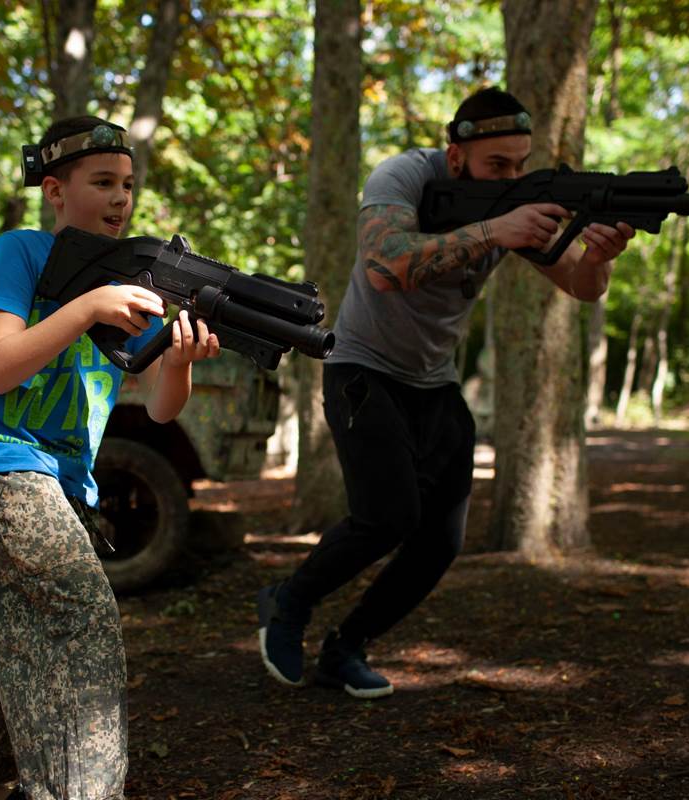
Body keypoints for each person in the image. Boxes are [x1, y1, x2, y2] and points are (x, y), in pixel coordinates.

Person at [256, 87, 634, 699]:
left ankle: (346, 647)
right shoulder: (404, 175)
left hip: (435, 382)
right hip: (363, 368)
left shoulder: (518, 202)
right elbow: (386, 263)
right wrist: (495, 228)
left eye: (520, 163)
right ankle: (288, 603)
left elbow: (581, 287)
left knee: (440, 541)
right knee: (388, 518)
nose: (512, 176)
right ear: (457, 156)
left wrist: (598, 257)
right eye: (497, 166)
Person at [0, 116, 219, 800]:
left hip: (66, 486)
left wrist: (178, 360)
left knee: (25, 654)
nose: (121, 198)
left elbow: (159, 409)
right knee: (79, 620)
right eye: (102, 183)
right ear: (55, 191)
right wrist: (89, 306)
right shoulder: (22, 253)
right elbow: (0, 367)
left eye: (127, 184)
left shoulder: (128, 281)